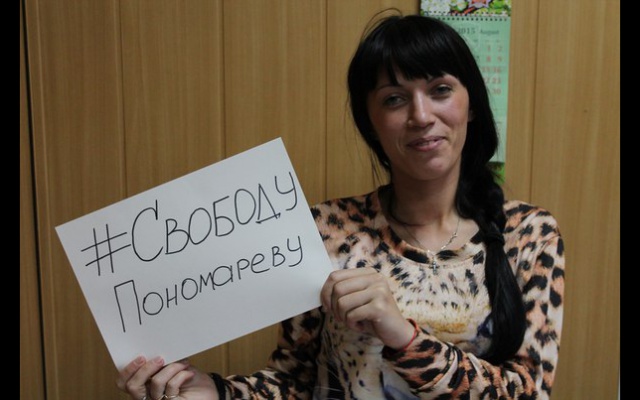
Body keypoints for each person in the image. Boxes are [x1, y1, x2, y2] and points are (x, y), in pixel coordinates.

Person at [117, 10, 565, 400]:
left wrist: (404, 337)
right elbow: (294, 382)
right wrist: (215, 391)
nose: (421, 115)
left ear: (472, 106)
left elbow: (529, 391)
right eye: (394, 99)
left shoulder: (529, 234)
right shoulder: (325, 229)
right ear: (372, 123)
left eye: (440, 90)